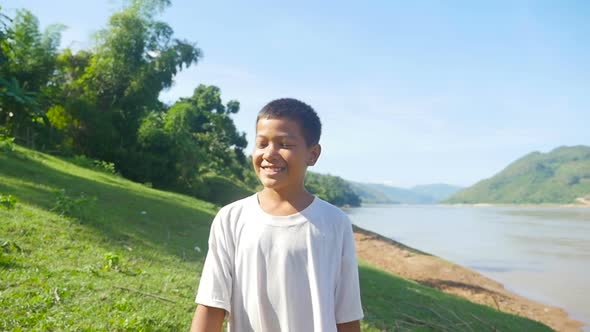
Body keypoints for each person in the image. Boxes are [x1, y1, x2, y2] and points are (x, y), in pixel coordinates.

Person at [190, 98, 363, 332]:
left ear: (312, 154)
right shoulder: (231, 218)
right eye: (261, 144)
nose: (269, 154)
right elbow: (212, 305)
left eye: (285, 144)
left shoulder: (334, 223)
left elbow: (347, 314)